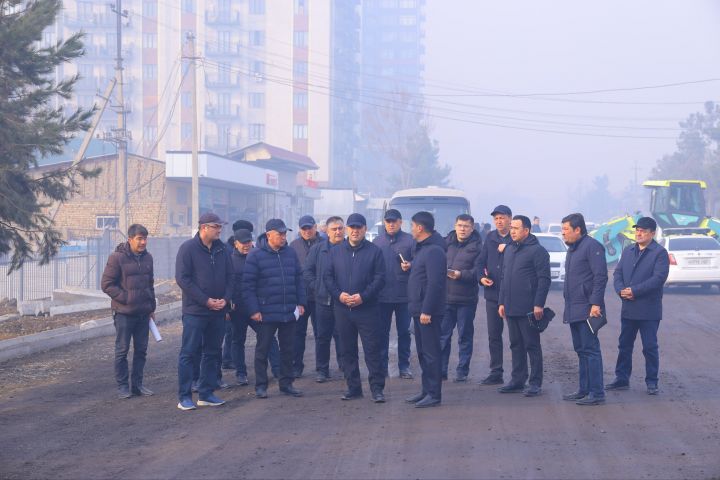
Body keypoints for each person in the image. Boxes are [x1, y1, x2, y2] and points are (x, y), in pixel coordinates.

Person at [324, 213, 387, 403]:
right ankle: (353, 387)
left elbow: (380, 279)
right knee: (347, 350)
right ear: (347, 229)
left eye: (359, 227)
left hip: (367, 309)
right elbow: (328, 277)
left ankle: (377, 389)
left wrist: (363, 297)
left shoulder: (375, 251)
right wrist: (339, 295)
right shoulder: (335, 252)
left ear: (365, 229)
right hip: (343, 309)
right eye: (352, 227)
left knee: (372, 349)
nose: (355, 231)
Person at [243, 219, 307, 399]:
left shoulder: (290, 253)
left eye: (285, 233)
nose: (283, 237)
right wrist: (254, 310)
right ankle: (261, 385)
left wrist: (301, 303)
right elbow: (248, 286)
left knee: (288, 349)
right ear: (269, 235)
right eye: (280, 234)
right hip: (266, 311)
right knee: (263, 349)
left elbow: (298, 279)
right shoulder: (255, 255)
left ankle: (286, 384)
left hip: (288, 310)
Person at [175, 212, 233, 411]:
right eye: (216, 226)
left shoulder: (223, 249)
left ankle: (206, 393)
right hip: (195, 311)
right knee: (189, 353)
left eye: (220, 226)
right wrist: (205, 301)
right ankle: (184, 396)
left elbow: (231, 277)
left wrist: (225, 299)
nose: (220, 230)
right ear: (204, 228)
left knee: (212, 352)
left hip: (218, 311)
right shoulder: (188, 249)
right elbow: (183, 279)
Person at [607, 217, 669, 395]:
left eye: (643, 231)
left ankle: (652, 382)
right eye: (637, 230)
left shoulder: (659, 253)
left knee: (649, 347)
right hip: (629, 308)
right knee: (624, 345)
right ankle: (621, 378)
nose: (639, 233)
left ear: (652, 233)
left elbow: (658, 279)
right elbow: (617, 273)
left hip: (649, 309)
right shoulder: (628, 251)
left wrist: (634, 291)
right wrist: (621, 291)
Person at [101, 223, 156, 399]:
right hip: (124, 314)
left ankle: (137, 386)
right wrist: (127, 298)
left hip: (143, 314)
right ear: (130, 239)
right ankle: (123, 387)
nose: (143, 242)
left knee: (141, 351)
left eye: (145, 239)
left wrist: (151, 308)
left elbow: (150, 284)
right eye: (139, 239)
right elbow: (106, 284)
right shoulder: (116, 258)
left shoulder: (148, 258)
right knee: (122, 350)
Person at [498, 215, 551, 397]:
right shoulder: (509, 250)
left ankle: (535, 383)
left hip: (528, 308)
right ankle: (517, 380)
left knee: (531, 345)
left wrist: (538, 304)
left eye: (516, 228)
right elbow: (504, 277)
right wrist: (502, 301)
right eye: (511, 227)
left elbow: (544, 280)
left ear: (526, 230)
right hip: (510, 306)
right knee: (515, 344)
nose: (511, 231)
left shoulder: (538, 251)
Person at [560, 213, 608, 406]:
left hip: (588, 309)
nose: (563, 233)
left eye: (566, 230)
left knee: (590, 350)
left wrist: (595, 304)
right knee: (581, 350)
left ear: (578, 229)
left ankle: (597, 393)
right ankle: (584, 389)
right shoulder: (572, 249)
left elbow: (600, 277)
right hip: (574, 308)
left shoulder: (592, 247)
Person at [228, 227, 280, 386]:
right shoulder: (229, 261)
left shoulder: (259, 257)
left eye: (248, 242)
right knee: (238, 340)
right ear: (236, 243)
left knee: (268, 337)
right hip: (237, 309)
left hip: (257, 308)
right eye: (243, 243)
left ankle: (277, 369)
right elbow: (227, 285)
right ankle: (241, 373)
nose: (246, 245)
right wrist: (228, 306)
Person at [405, 211, 447, 408]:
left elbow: (435, 283)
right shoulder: (422, 249)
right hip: (418, 309)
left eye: (412, 226)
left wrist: (427, 310)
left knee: (431, 354)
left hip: (428, 312)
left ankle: (434, 394)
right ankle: (426, 390)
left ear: (420, 228)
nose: (411, 229)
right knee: (422, 353)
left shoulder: (434, 251)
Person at [373, 208, 415, 379]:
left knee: (404, 332)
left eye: (394, 221)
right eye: (388, 221)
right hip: (382, 296)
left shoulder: (410, 241)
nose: (391, 224)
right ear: (384, 222)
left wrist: (411, 264)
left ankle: (404, 366)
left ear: (400, 222)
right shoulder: (377, 242)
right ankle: (382, 366)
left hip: (404, 295)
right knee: (381, 333)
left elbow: (419, 260)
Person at [441, 214, 482, 382]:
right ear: (455, 226)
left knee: (464, 336)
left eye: (466, 226)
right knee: (443, 336)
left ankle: (462, 371)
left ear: (472, 228)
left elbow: (478, 272)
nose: (462, 229)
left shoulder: (478, 247)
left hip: (466, 300)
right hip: (445, 299)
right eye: (460, 225)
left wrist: (461, 275)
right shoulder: (446, 243)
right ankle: (441, 370)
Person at [304, 216, 345, 382]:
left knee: (343, 336)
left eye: (340, 228)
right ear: (327, 231)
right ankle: (322, 370)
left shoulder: (350, 248)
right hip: (323, 301)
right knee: (322, 337)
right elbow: (307, 271)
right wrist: (317, 286)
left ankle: (345, 367)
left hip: (344, 301)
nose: (338, 232)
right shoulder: (318, 249)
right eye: (334, 229)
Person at [477, 205, 513, 385]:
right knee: (494, 335)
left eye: (502, 217)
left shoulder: (517, 237)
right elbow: (480, 262)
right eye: (496, 218)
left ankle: (519, 375)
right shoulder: (490, 238)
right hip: (493, 293)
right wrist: (481, 278)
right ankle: (496, 372)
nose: (499, 221)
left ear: (510, 218)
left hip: (513, 295)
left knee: (517, 337)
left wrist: (508, 248)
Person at [289, 215, 323, 378]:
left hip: (320, 296)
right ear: (299, 229)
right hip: (300, 298)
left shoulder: (324, 244)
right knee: (297, 334)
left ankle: (321, 368)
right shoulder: (293, 246)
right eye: (304, 228)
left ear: (315, 227)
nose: (307, 231)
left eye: (309, 228)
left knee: (321, 333)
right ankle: (296, 366)